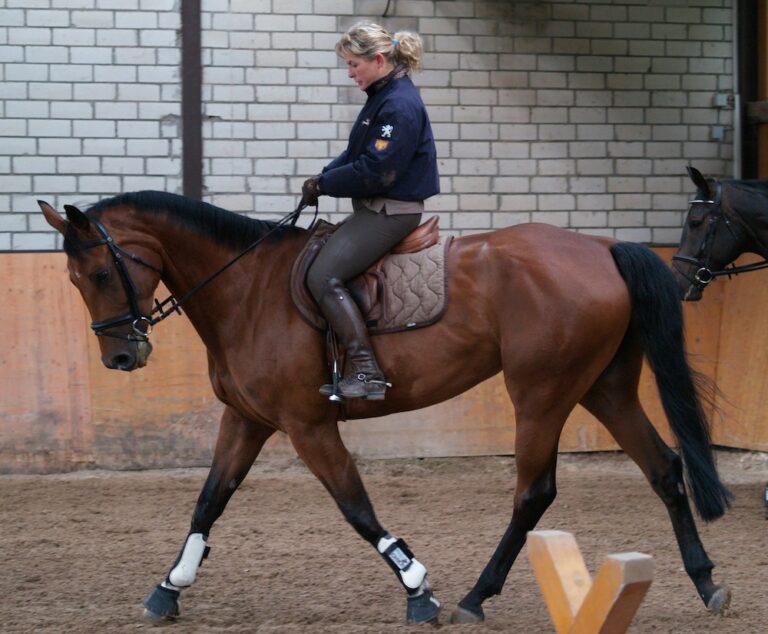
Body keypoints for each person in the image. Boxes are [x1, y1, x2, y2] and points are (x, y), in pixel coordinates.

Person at [303, 22, 440, 401]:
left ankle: (366, 371)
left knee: (323, 276)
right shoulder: (381, 96)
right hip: (374, 208)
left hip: (390, 211)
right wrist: (324, 176)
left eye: (353, 65)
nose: (350, 74)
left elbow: (377, 172)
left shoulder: (398, 104)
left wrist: (327, 185)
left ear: (378, 60)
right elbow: (356, 154)